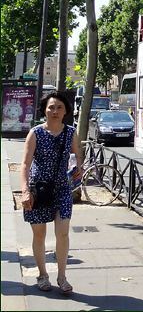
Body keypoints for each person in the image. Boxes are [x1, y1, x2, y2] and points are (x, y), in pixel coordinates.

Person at [20, 92, 83, 294]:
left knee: (63, 233)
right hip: (38, 189)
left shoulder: (70, 132)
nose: (55, 111)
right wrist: (25, 191)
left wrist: (78, 170)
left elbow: (76, 158)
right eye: (51, 107)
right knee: (39, 234)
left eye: (59, 108)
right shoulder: (35, 133)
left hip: (62, 190)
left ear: (66, 111)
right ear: (45, 110)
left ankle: (62, 277)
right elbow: (25, 164)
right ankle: (42, 275)